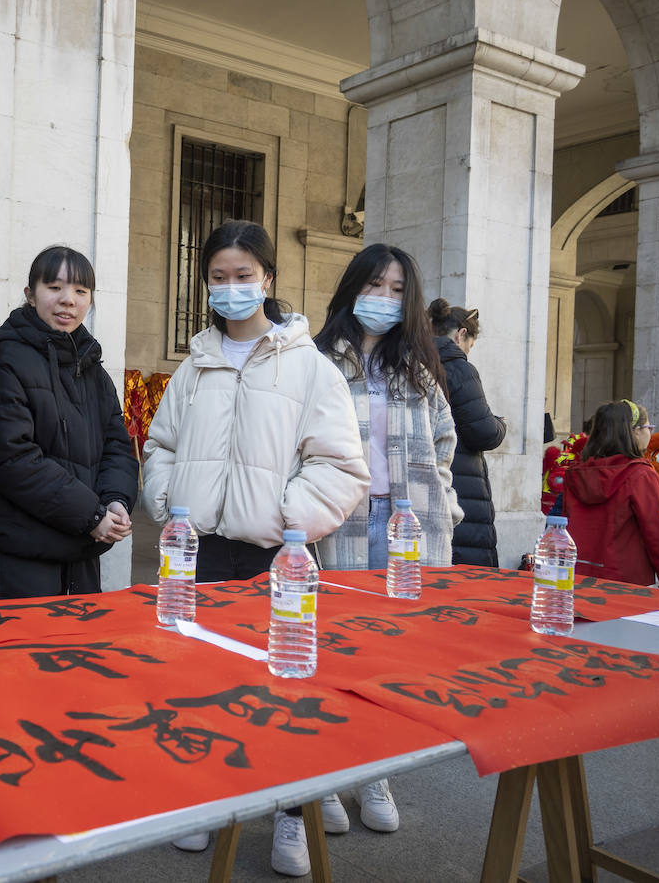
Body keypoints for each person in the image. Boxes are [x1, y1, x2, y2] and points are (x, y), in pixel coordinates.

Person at [141, 221, 368, 876]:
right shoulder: (195, 366)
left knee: (286, 687)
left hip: (278, 556)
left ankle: (289, 815)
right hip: (200, 554)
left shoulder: (308, 367)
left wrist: (285, 516)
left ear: (267, 278)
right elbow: (160, 447)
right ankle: (209, 803)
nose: (232, 288)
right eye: (219, 277)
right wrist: (169, 502)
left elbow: (340, 466)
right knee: (202, 680)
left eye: (245, 276)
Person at [311, 243, 462, 858]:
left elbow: (447, 443)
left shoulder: (418, 368)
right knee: (332, 651)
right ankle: (322, 774)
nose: (384, 299)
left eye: (398, 289)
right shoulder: (318, 361)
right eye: (375, 285)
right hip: (335, 526)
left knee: (390, 658)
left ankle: (376, 772)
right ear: (352, 289)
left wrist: (441, 508)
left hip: (406, 530)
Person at [0, 246, 138, 599]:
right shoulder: (5, 360)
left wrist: (116, 501)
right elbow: (11, 458)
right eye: (54, 288)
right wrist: (91, 516)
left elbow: (117, 445)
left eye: (80, 291)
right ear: (30, 295)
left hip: (81, 556)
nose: (68, 301)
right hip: (20, 561)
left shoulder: (91, 367)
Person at [561, 399, 659, 589]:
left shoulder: (577, 474)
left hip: (577, 576)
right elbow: (656, 533)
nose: (651, 432)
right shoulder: (640, 474)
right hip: (627, 580)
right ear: (635, 431)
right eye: (648, 426)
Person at [428, 299, 506, 566]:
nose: (468, 352)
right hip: (460, 481)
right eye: (470, 345)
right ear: (461, 334)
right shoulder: (458, 367)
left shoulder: (412, 361)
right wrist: (500, 424)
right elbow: (483, 432)